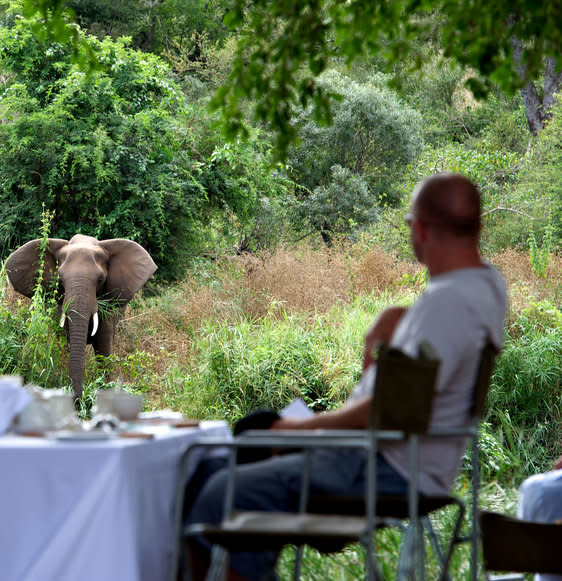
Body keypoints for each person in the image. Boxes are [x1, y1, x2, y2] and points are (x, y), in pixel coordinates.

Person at [184, 173, 508, 580]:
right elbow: (442, 352)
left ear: (421, 228)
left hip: (385, 467)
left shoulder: (447, 303)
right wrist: (401, 319)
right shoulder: (486, 286)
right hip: (393, 458)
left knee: (217, 493)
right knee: (209, 470)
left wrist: (295, 431)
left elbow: (389, 411)